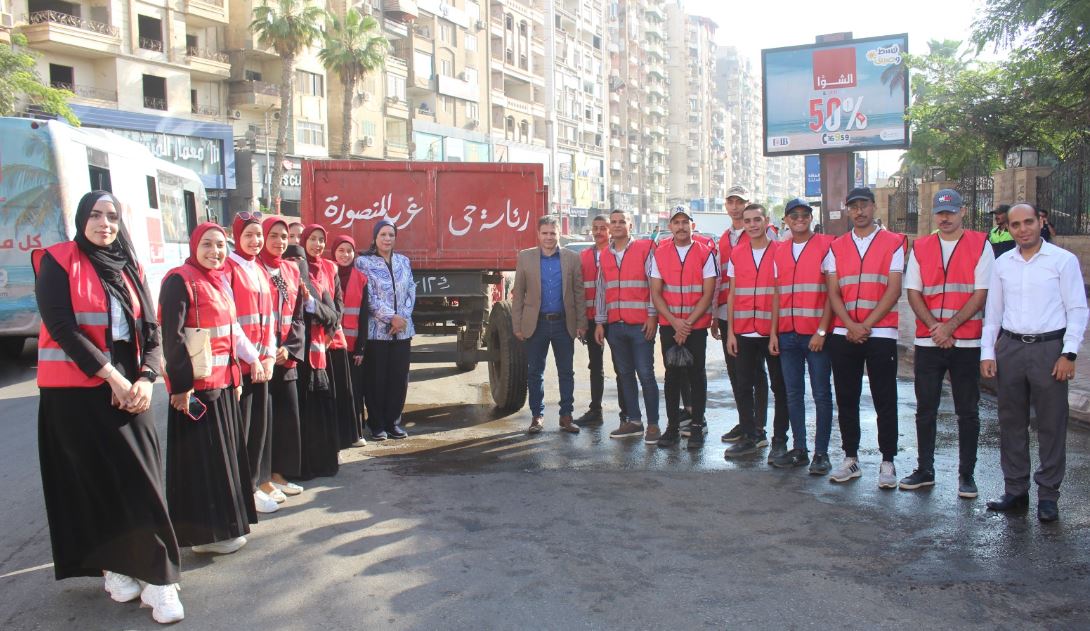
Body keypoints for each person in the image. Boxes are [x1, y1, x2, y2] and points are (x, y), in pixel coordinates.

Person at [33, 191, 183, 624]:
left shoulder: (130, 268)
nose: (105, 223)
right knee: (93, 483)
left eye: (113, 216)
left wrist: (146, 378)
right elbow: (61, 327)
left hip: (129, 384)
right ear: (81, 219)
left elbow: (152, 333)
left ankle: (159, 580)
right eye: (96, 215)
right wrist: (113, 378)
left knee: (142, 481)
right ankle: (115, 568)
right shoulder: (57, 261)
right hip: (75, 391)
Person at [981, 203, 1088, 522]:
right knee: (1011, 421)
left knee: (1051, 423)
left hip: (1049, 349)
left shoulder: (1063, 261)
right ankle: (1015, 490)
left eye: (1029, 222)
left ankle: (1048, 495)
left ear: (1041, 222)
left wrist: (1069, 353)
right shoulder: (1002, 264)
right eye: (1016, 224)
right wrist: (988, 352)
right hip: (1011, 348)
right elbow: (993, 313)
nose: (1023, 229)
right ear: (1009, 228)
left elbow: (1078, 310)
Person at [159, 222, 258, 558]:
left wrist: (240, 376)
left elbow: (229, 333)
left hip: (224, 385)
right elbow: (171, 338)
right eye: (207, 244)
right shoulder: (179, 279)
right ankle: (204, 534)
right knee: (202, 464)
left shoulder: (218, 280)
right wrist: (181, 387)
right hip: (198, 390)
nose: (215, 252)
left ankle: (223, 528)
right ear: (193, 246)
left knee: (221, 460)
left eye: (220, 245)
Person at [901, 190, 994, 498]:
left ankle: (966, 475)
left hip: (966, 342)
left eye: (951, 212)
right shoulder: (922, 246)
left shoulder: (981, 244)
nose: (945, 217)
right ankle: (925, 469)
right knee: (925, 408)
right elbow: (913, 292)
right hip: (929, 341)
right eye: (941, 212)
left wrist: (950, 327)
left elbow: (980, 293)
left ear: (963, 212)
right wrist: (934, 328)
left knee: (967, 411)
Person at [823, 187, 906, 488]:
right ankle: (850, 457)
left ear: (873, 207)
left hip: (880, 331)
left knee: (885, 397)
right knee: (846, 397)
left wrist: (866, 325)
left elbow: (894, 288)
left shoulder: (893, 242)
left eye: (864, 205)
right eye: (853, 207)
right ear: (847, 210)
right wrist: (849, 324)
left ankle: (887, 461)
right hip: (844, 331)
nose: (859, 212)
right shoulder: (837, 246)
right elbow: (833, 291)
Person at [768, 198, 835, 472]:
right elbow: (777, 295)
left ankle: (822, 453)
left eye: (804, 214)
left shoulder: (825, 245)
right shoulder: (780, 251)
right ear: (785, 219)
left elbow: (833, 293)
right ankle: (800, 449)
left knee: (821, 394)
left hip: (815, 336)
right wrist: (773, 332)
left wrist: (821, 330)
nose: (799, 218)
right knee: (793, 394)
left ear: (811, 217)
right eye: (794, 215)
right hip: (787, 335)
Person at [721, 204, 788, 460]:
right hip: (744, 330)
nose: (752, 225)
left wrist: (773, 333)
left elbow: (778, 293)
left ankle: (780, 438)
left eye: (757, 220)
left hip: (772, 331)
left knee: (779, 387)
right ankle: (751, 435)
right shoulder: (737, 253)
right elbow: (732, 293)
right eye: (748, 221)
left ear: (766, 221)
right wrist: (731, 333)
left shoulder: (780, 251)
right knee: (743, 384)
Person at [225, 212, 280, 515]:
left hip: (262, 364)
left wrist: (269, 355)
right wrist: (254, 358)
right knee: (243, 433)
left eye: (258, 234)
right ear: (237, 236)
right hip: (242, 366)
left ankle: (256, 486)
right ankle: (243, 492)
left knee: (259, 429)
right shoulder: (229, 268)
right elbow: (230, 322)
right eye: (249, 235)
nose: (256, 240)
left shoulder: (258, 268)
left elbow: (269, 319)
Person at [512, 215, 587, 434]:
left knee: (566, 372)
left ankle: (566, 416)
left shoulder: (572, 259)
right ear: (538, 234)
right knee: (535, 372)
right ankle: (537, 416)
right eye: (544, 233)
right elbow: (518, 295)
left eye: (552, 233)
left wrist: (582, 322)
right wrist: (517, 324)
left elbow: (579, 293)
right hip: (536, 325)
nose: (548, 237)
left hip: (564, 324)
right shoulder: (525, 258)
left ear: (558, 234)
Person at [650, 207, 717, 448]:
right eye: (676, 222)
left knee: (697, 375)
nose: (680, 226)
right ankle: (672, 428)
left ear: (692, 225)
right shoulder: (661, 253)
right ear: (670, 226)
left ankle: (697, 426)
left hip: (695, 326)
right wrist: (675, 321)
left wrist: (686, 323)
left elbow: (708, 293)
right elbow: (656, 293)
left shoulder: (705, 252)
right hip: (670, 325)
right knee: (672, 376)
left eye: (685, 222)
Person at [715, 185, 777, 445]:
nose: (735, 206)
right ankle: (745, 422)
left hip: (760, 314)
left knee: (757, 373)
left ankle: (758, 426)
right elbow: (722, 278)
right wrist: (715, 315)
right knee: (738, 374)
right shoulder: (724, 237)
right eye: (730, 202)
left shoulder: (767, 234)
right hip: (731, 311)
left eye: (739, 201)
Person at [594, 209, 659, 443]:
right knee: (624, 375)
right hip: (615, 326)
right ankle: (633, 421)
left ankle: (653, 425)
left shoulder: (645, 249)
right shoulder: (605, 255)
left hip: (641, 325)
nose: (618, 225)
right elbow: (602, 290)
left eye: (623, 221)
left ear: (631, 225)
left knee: (645, 374)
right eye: (614, 222)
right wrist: (600, 322)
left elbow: (654, 284)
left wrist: (652, 315)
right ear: (609, 227)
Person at [258, 216, 306, 498]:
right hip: (261, 356)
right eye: (272, 235)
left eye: (283, 236)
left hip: (284, 355)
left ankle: (279, 475)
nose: (278, 241)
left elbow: (297, 315)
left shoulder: (291, 269)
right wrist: (266, 350)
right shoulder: (252, 267)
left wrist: (288, 347)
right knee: (263, 421)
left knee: (286, 418)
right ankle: (263, 479)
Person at [356, 220, 416, 440]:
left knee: (399, 378)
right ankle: (377, 424)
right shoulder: (364, 262)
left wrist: (403, 319)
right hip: (377, 332)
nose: (387, 238)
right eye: (383, 234)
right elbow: (368, 297)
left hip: (402, 331)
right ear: (375, 238)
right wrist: (391, 317)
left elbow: (411, 290)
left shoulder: (403, 261)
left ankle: (393, 422)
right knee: (376, 379)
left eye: (391, 234)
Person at [295, 224, 342, 477]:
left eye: (321, 240)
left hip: (321, 348)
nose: (317, 244)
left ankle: (322, 461)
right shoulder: (293, 270)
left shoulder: (328, 269)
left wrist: (313, 305)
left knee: (320, 406)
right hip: (298, 352)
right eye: (312, 239)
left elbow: (335, 313)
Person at [575, 215, 625, 427]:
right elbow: (577, 290)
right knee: (595, 366)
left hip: (613, 318)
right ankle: (596, 410)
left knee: (621, 366)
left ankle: (627, 412)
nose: (598, 232)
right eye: (595, 228)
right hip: (591, 319)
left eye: (602, 228)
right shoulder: (584, 256)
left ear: (610, 230)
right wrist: (581, 321)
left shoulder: (615, 254)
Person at [323, 234, 365, 449]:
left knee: (353, 392)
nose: (345, 255)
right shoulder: (326, 273)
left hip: (352, 347)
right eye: (341, 250)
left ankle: (354, 432)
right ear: (333, 252)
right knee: (332, 390)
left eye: (349, 251)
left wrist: (361, 348)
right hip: (331, 345)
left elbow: (364, 315)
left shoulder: (361, 277)